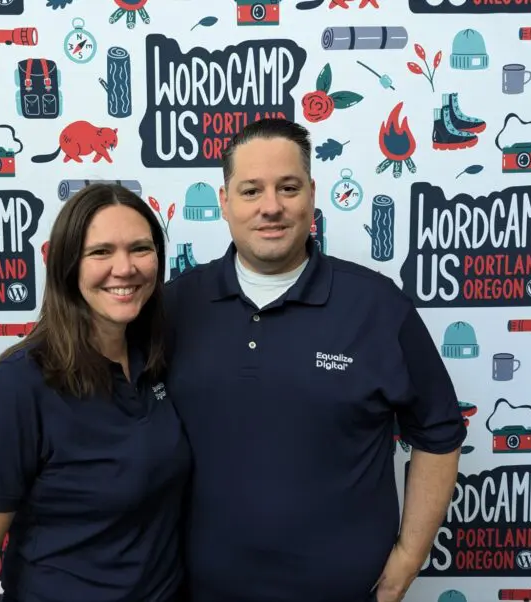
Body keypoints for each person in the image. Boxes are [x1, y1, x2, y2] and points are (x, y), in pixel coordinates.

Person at [164, 118, 466, 602]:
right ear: (223, 202)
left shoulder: (377, 306)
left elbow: (440, 433)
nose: (271, 207)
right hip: (197, 590)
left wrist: (409, 559)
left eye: (288, 187)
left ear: (312, 194)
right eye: (250, 190)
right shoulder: (174, 308)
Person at [0, 184, 191, 602]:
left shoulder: (156, 362)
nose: (125, 268)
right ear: (67, 265)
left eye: (140, 248)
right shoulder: (19, 387)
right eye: (100, 252)